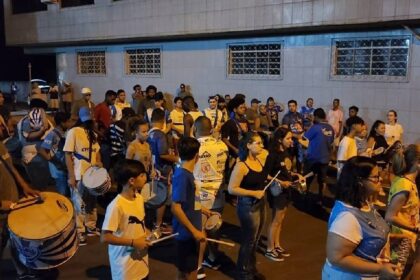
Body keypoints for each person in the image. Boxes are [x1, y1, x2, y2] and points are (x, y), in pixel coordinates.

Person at [322, 156, 402, 280]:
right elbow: (337, 257)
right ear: (360, 182)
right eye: (375, 177)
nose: (381, 179)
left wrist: (390, 238)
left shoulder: (363, 203)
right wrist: (380, 269)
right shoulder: (347, 218)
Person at [101, 159, 151, 280]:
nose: (146, 177)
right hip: (125, 268)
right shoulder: (116, 206)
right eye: (142, 175)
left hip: (142, 263)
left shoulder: (139, 198)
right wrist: (134, 242)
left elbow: (139, 222)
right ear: (132, 181)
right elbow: (105, 237)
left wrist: (147, 232)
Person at [228, 132, 267, 280]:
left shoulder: (259, 161)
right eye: (258, 143)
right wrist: (253, 193)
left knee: (255, 240)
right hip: (247, 206)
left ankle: (251, 268)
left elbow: (262, 176)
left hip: (260, 204)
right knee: (248, 240)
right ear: (248, 145)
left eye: (262, 143)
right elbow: (232, 188)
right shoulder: (241, 165)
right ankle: (243, 272)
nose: (262, 145)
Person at [193, 116, 229, 271]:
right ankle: (213, 258)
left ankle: (199, 262)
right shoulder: (222, 145)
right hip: (218, 192)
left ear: (195, 129)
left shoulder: (193, 147)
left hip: (200, 194)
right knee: (215, 226)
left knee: (200, 229)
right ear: (211, 129)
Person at [171, 137, 209, 280]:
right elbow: (176, 207)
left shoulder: (187, 174)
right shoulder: (182, 176)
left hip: (190, 233)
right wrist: (194, 232)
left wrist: (202, 209)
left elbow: (189, 199)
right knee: (189, 273)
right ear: (197, 156)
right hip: (186, 234)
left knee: (184, 271)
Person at [0, 141, 39, 279]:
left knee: (14, 240)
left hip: (11, 205)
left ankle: (22, 270)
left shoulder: (0, 144)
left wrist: (24, 186)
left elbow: (11, 167)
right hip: (2, 207)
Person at [64, 107, 103, 245]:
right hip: (79, 173)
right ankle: (80, 231)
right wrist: (71, 176)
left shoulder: (93, 134)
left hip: (92, 173)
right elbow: (68, 154)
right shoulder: (73, 132)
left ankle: (91, 226)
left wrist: (99, 163)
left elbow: (97, 152)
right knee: (78, 203)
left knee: (92, 202)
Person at [265, 128, 303, 262]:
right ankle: (270, 249)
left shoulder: (285, 152)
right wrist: (281, 181)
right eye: (288, 138)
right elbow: (266, 175)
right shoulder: (272, 154)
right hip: (277, 192)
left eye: (291, 138)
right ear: (280, 140)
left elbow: (285, 170)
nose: (291, 141)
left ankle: (277, 245)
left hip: (286, 190)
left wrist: (295, 175)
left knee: (280, 220)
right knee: (276, 220)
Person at [385, 144, 420, 279]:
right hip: (400, 239)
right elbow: (390, 216)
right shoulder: (405, 185)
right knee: (396, 275)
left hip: (406, 237)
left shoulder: (407, 181)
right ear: (417, 163)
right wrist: (414, 228)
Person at [147, 109, 179, 234]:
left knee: (155, 195)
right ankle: (158, 225)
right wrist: (178, 159)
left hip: (153, 168)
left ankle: (155, 222)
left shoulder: (149, 134)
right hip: (162, 170)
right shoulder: (160, 135)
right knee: (162, 198)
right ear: (163, 121)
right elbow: (163, 154)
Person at [17, 94, 54, 188]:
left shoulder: (43, 120)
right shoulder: (27, 121)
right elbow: (29, 136)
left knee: (44, 181)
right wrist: (42, 130)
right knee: (38, 184)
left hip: (42, 153)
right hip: (33, 155)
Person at [303, 108, 334, 205]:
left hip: (312, 158)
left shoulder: (315, 127)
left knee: (307, 179)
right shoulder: (330, 128)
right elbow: (331, 142)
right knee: (322, 180)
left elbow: (305, 138)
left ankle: (305, 195)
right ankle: (321, 198)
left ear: (316, 117)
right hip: (325, 158)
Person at [39, 112, 73, 197]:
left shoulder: (67, 133)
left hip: (65, 167)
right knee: (62, 194)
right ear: (62, 122)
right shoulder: (52, 134)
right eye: (68, 121)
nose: (70, 123)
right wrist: (53, 161)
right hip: (59, 170)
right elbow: (42, 150)